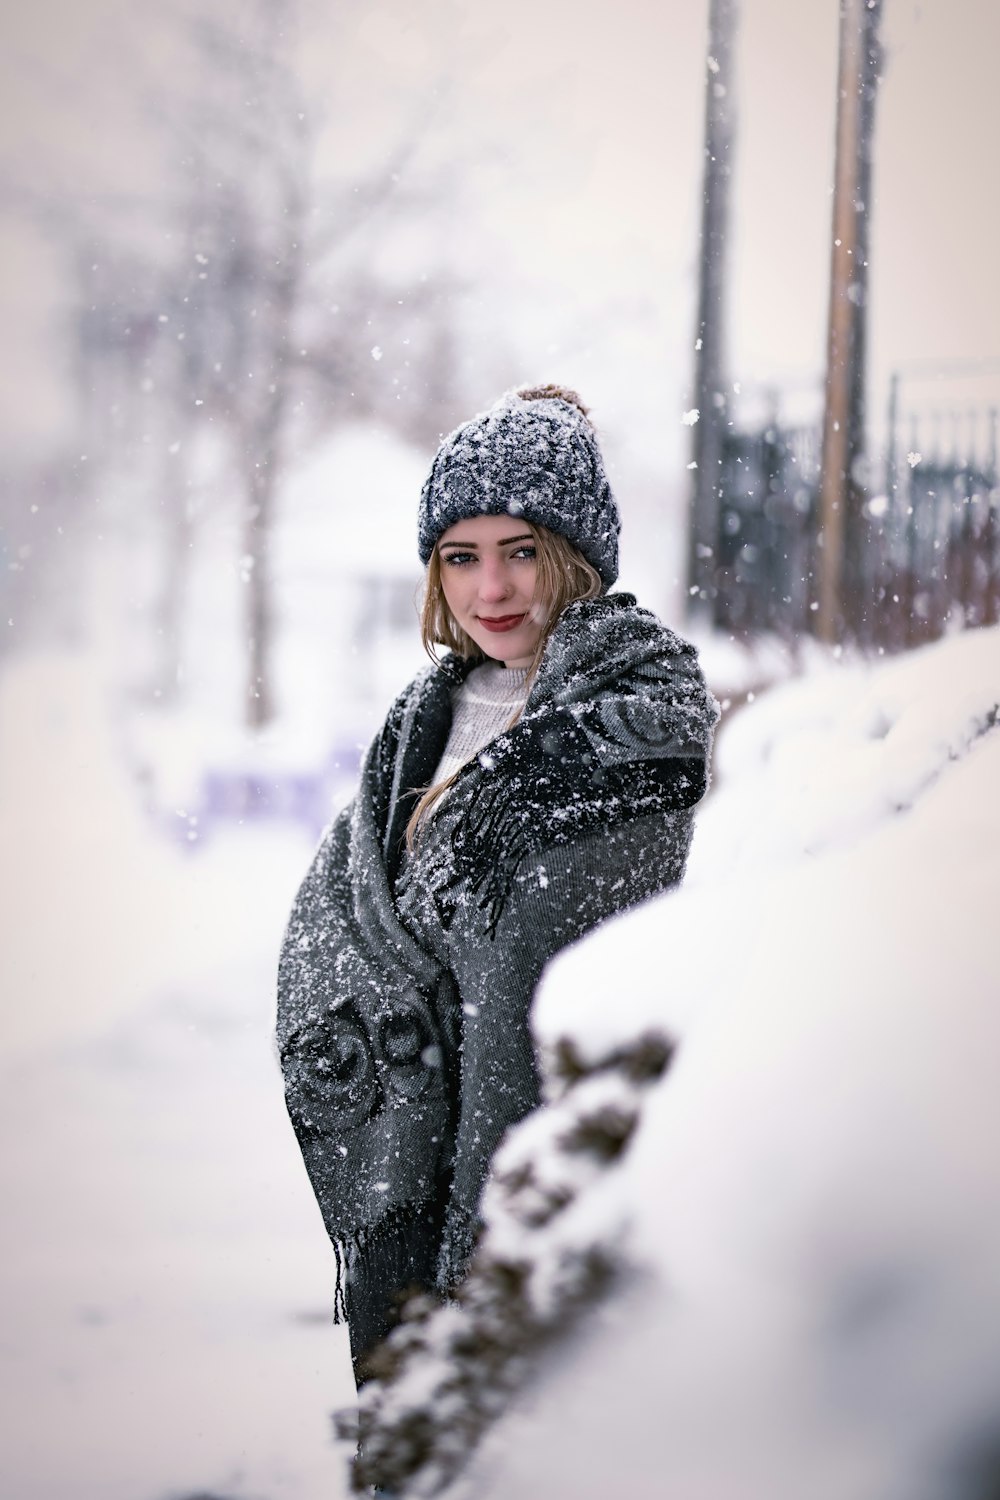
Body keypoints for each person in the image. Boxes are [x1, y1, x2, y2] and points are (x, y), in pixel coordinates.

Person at [276, 384, 719, 1385]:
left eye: (521, 550)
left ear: (576, 555)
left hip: (558, 1141)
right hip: (424, 1126)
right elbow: (365, 908)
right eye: (460, 556)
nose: (491, 589)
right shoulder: (421, 719)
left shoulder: (633, 717)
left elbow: (555, 948)